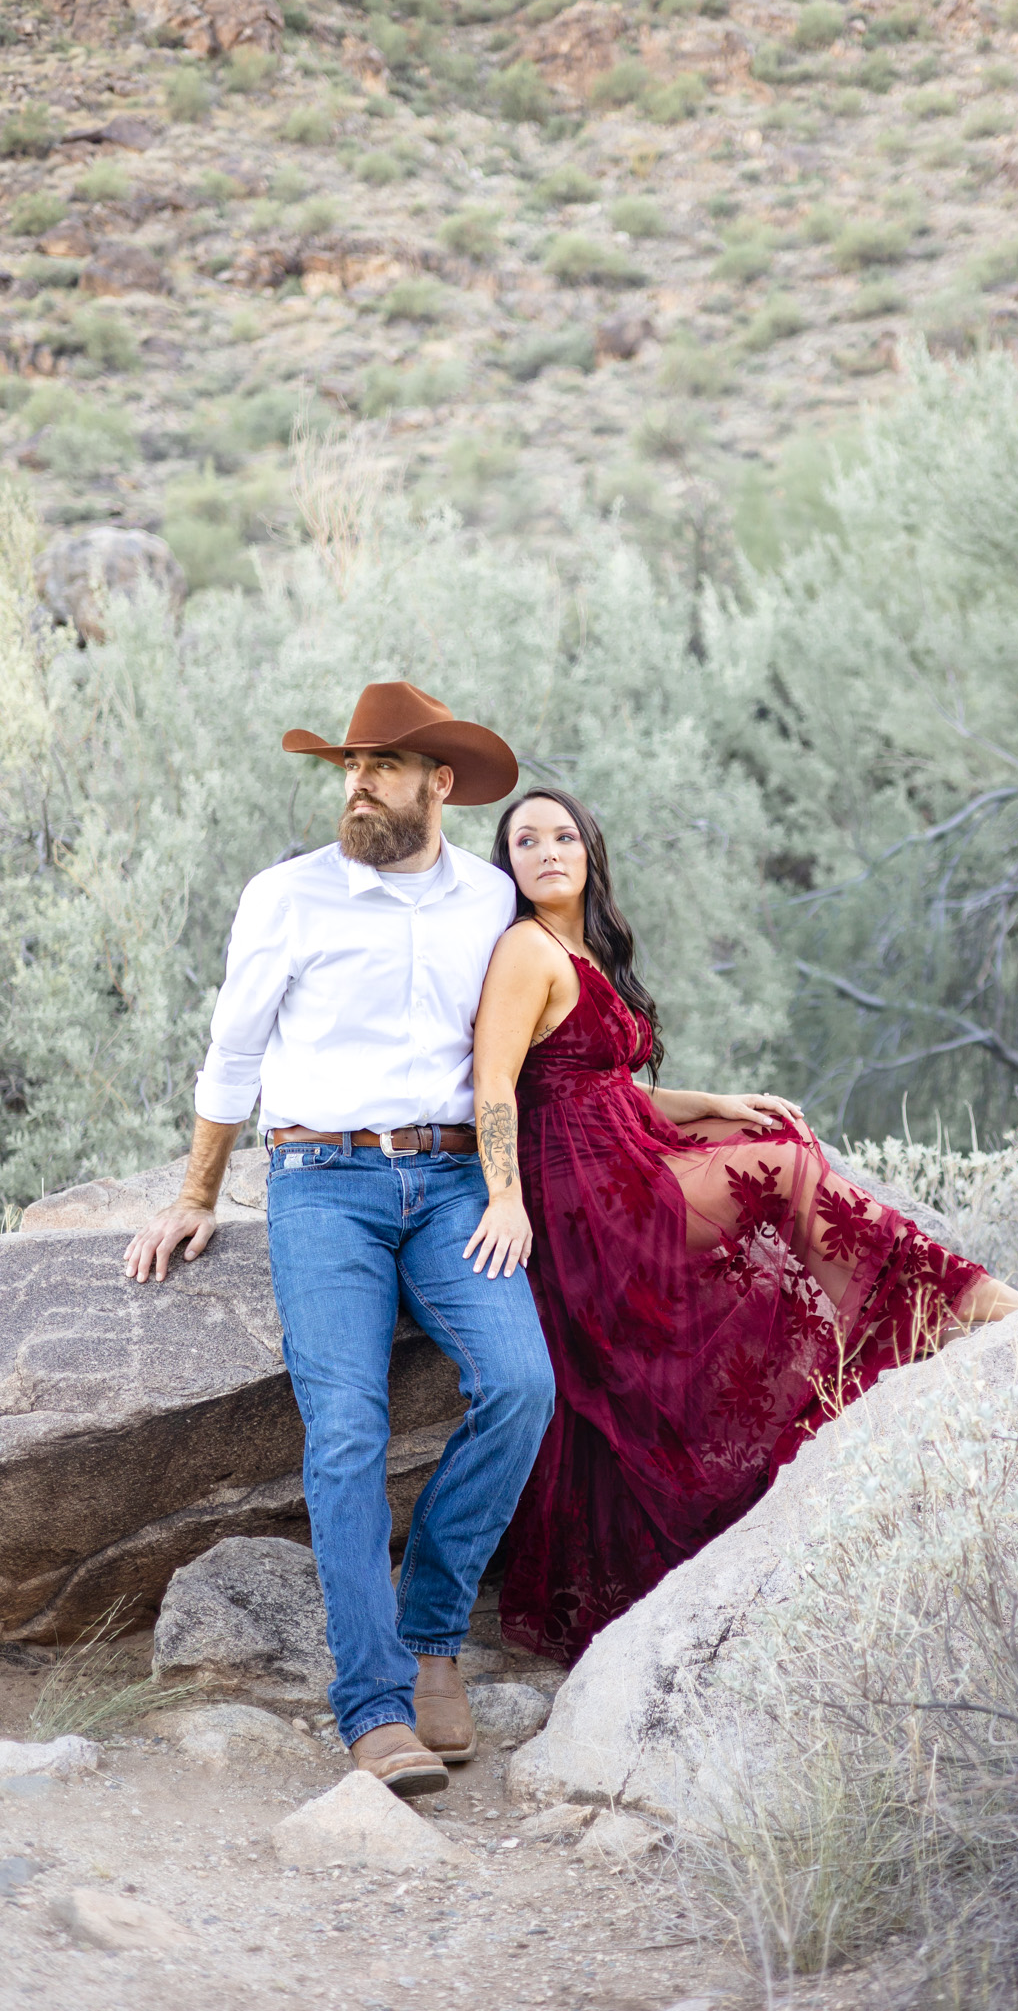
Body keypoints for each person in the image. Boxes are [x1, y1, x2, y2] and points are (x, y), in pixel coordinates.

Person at [465, 789, 1018, 1665]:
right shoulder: (524, 949)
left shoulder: (580, 949)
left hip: (620, 1154)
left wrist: (712, 1105)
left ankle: (917, 1316)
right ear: (507, 864)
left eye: (562, 835)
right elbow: (495, 1085)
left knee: (771, 1132)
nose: (545, 851)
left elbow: (603, 1083)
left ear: (590, 852)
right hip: (583, 1196)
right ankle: (960, 1299)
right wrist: (503, 1197)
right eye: (524, 840)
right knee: (785, 1173)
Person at [123, 683, 556, 1798]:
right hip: (324, 1183)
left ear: (438, 785)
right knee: (350, 1425)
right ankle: (371, 1706)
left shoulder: (491, 898)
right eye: (347, 764)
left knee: (519, 1383)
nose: (355, 782)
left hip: (457, 1180)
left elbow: (546, 1038)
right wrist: (197, 1191)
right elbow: (233, 1053)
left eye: (380, 764)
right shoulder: (287, 896)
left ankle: (429, 1632)